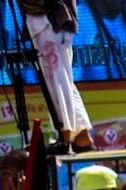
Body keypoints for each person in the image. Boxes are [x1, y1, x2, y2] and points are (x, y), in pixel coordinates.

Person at [18, 0, 92, 150]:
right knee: (62, 79)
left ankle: (64, 134)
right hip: (44, 21)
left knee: (57, 80)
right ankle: (82, 136)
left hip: (50, 21)